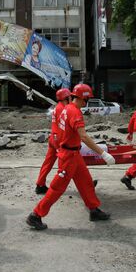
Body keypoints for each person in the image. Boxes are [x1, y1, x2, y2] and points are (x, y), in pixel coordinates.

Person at [26, 84, 116, 230]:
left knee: (86, 182)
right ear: (83, 98)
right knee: (57, 188)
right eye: (87, 99)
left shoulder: (67, 109)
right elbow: (84, 136)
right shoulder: (74, 112)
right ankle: (35, 215)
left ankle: (94, 210)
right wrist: (103, 153)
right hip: (69, 156)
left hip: (73, 153)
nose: (87, 102)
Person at [35, 88, 72, 194]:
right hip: (59, 140)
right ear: (66, 97)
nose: (71, 98)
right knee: (69, 164)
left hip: (53, 138)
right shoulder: (63, 109)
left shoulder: (57, 107)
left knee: (48, 163)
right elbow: (64, 127)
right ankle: (84, 185)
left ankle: (40, 184)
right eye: (69, 96)